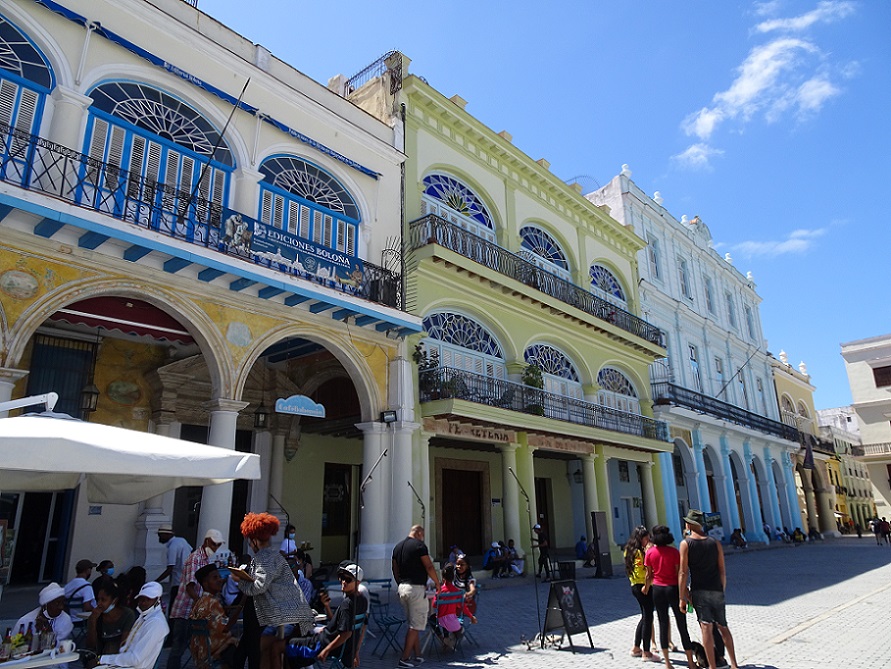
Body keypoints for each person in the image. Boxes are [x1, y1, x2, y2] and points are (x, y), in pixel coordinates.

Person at [229, 512, 314, 669]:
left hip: (258, 611)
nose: (250, 544)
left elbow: (259, 586)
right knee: (243, 652)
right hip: (258, 610)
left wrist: (240, 580)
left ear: (255, 540)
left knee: (251, 653)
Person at [679, 510, 739, 669]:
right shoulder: (715, 543)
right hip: (716, 589)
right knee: (723, 627)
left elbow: (683, 573)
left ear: (690, 525)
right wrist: (721, 589)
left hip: (699, 591)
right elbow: (722, 571)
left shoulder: (686, 544)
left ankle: (712, 666)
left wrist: (682, 597)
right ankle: (734, 664)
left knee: (706, 628)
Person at [167, 528, 225, 669]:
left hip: (195, 612)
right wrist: (202, 605)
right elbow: (190, 587)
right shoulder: (195, 558)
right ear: (207, 541)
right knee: (178, 648)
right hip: (185, 610)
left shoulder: (206, 560)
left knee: (199, 646)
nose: (216, 548)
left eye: (218, 545)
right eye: (214, 544)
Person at [645, 525, 695, 669]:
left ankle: (667, 662)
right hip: (673, 589)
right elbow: (680, 574)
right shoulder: (674, 552)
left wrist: (646, 588)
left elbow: (649, 575)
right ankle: (690, 661)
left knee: (663, 623)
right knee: (682, 624)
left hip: (658, 589)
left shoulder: (650, 553)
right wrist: (685, 594)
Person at [88, 582, 169, 669]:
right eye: (141, 599)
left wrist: (101, 659)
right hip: (124, 663)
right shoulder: (144, 617)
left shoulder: (155, 622)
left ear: (157, 600)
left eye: (148, 599)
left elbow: (136, 659)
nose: (143, 602)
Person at [392, 524, 440, 669]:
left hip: (403, 588)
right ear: (419, 533)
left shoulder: (398, 547)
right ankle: (404, 658)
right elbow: (429, 566)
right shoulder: (419, 546)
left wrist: (400, 583)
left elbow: (394, 568)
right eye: (422, 535)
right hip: (416, 589)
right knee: (416, 625)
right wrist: (437, 583)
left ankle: (418, 655)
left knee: (413, 623)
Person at [314, 563, 368, 665]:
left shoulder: (347, 604)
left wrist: (326, 650)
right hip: (345, 649)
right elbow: (361, 627)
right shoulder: (363, 600)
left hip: (327, 645)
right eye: (342, 578)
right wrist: (327, 606)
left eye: (348, 580)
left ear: (358, 582)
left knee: (287, 645)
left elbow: (346, 634)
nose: (343, 582)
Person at [189, 564, 238, 669]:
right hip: (212, 652)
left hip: (199, 652)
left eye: (219, 577)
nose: (220, 580)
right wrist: (242, 604)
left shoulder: (198, 602)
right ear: (205, 583)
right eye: (215, 578)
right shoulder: (212, 603)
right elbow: (225, 629)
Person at [623, 526, 656, 662]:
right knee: (648, 618)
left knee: (645, 616)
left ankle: (636, 647)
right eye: (645, 538)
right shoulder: (638, 552)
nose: (648, 540)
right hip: (642, 586)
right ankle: (646, 652)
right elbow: (641, 571)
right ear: (639, 538)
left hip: (636, 585)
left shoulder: (629, 550)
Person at [86, 579, 136, 655]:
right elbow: (91, 645)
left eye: (103, 600)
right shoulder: (96, 617)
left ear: (114, 600)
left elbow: (124, 644)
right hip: (100, 654)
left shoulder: (127, 615)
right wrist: (92, 622)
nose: (99, 603)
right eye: (98, 599)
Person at [156, 526, 193, 613]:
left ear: (166, 534)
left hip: (178, 582)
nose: (159, 538)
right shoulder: (182, 540)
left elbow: (170, 568)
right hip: (187, 579)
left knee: (173, 609)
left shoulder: (172, 547)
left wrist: (156, 581)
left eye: (160, 535)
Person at [434, 563, 464, 651]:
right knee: (447, 616)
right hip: (455, 621)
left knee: (433, 618)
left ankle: (443, 638)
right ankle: (449, 639)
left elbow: (434, 605)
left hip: (442, 621)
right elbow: (460, 606)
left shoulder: (440, 591)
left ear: (443, 577)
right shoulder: (458, 591)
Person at [453, 554, 478, 624]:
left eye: (462, 565)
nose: (459, 566)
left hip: (462, 603)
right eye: (457, 564)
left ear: (467, 566)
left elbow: (472, 590)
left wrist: (467, 594)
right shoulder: (453, 576)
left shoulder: (469, 578)